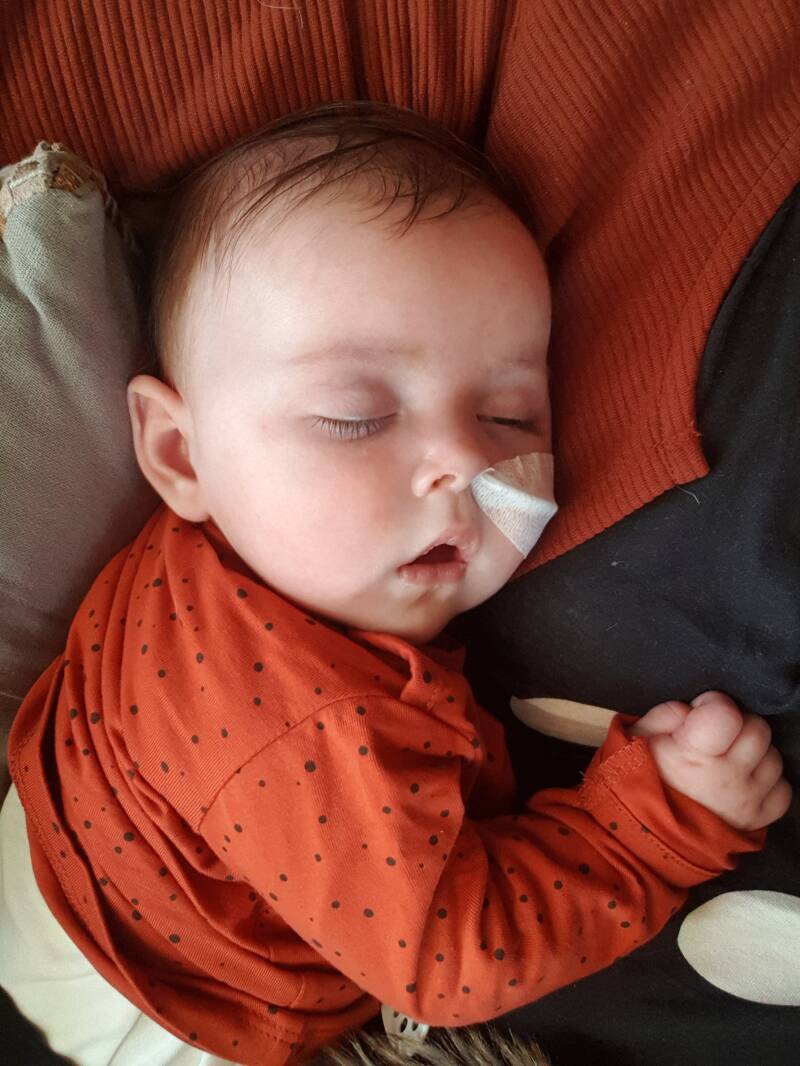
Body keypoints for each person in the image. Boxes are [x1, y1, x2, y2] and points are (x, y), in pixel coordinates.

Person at [1, 103, 791, 1066]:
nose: (462, 463)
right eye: (354, 416)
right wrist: (655, 827)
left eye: (509, 416)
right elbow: (448, 964)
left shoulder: (256, 543)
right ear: (179, 453)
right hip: (152, 991)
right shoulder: (304, 726)